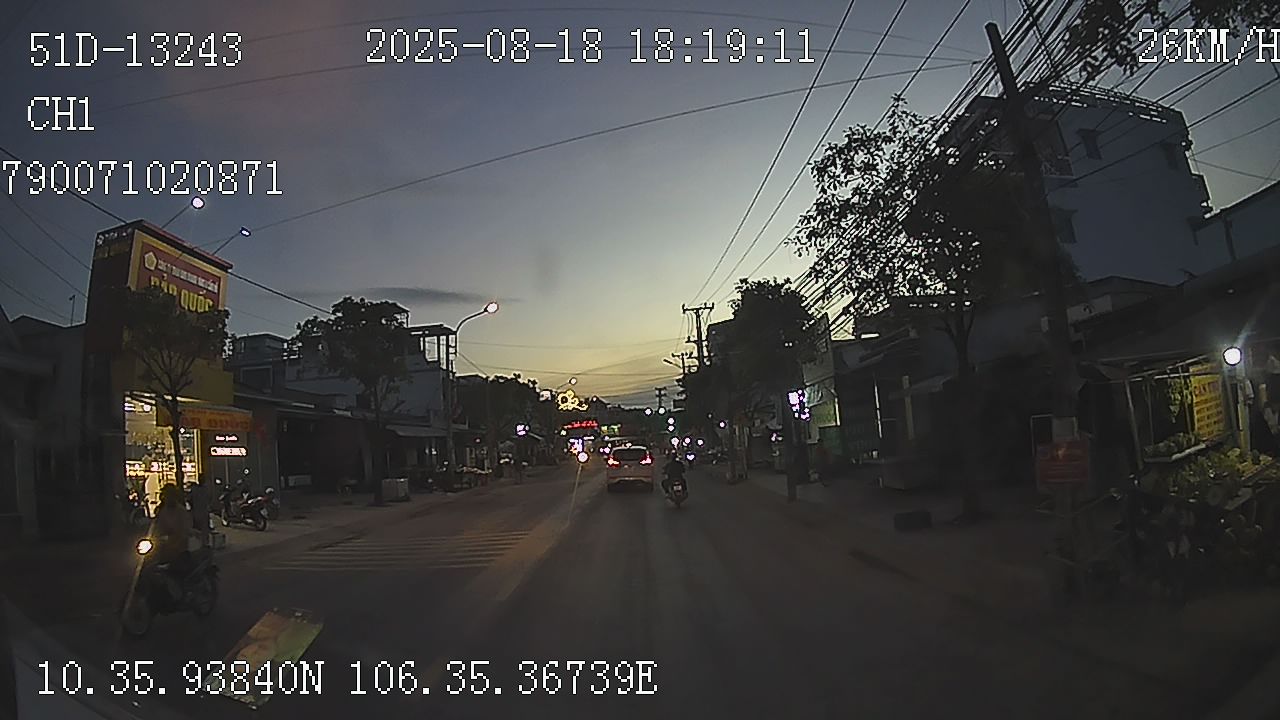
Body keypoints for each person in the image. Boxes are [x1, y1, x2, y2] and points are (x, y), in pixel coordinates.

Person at [151, 484, 194, 600]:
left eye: (169, 495)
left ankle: (182, 595)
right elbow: (155, 527)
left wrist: (175, 538)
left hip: (179, 549)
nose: (167, 498)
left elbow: (185, 530)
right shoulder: (162, 511)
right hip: (164, 547)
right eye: (165, 495)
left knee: (175, 571)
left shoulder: (181, 511)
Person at [187, 475, 212, 547]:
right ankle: (204, 543)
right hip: (203, 512)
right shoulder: (206, 489)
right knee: (204, 529)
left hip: (197, 512)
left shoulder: (195, 490)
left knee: (198, 530)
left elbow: (189, 500)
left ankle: (200, 544)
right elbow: (209, 499)